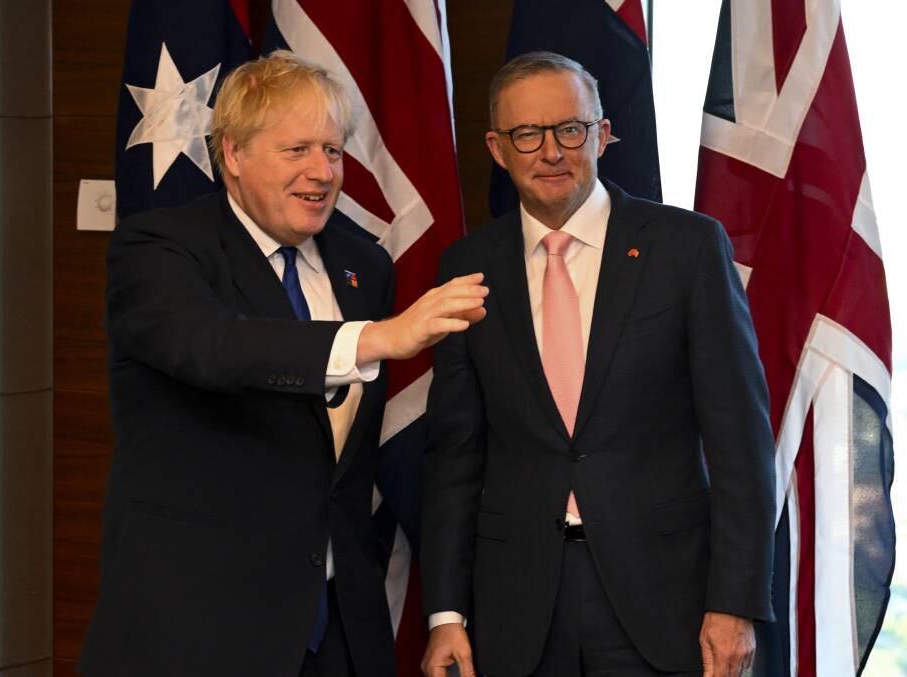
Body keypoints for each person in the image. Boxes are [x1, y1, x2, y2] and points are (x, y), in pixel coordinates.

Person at [78, 51, 487, 677]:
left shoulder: (365, 266)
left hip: (340, 627)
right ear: (234, 154)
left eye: (333, 151)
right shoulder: (159, 248)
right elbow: (216, 347)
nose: (322, 173)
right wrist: (375, 339)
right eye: (296, 151)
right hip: (201, 625)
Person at [420, 51, 775, 677]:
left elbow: (740, 441)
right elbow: (455, 453)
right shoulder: (466, 266)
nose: (550, 151)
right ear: (497, 150)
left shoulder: (685, 247)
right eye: (527, 134)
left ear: (603, 135)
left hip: (666, 600)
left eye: (570, 129)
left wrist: (735, 603)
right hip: (517, 604)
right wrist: (445, 614)